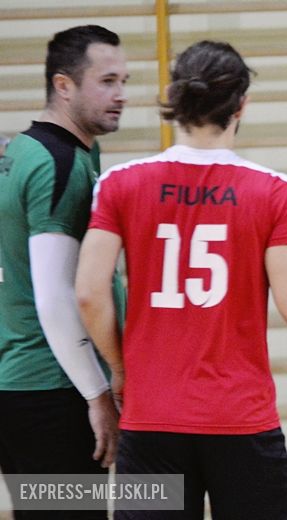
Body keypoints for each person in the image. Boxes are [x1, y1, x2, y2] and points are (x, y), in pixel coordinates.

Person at [75, 40, 287, 520]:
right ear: (242, 105)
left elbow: (89, 294)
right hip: (241, 424)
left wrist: (120, 368)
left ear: (175, 98)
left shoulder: (120, 183)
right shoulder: (272, 191)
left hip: (152, 424)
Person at [0, 25, 128, 518]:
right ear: (64, 85)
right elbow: (55, 295)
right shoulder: (59, 164)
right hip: (52, 393)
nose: (121, 96)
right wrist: (98, 394)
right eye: (107, 81)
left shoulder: (27, 151)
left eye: (124, 81)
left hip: (27, 390)